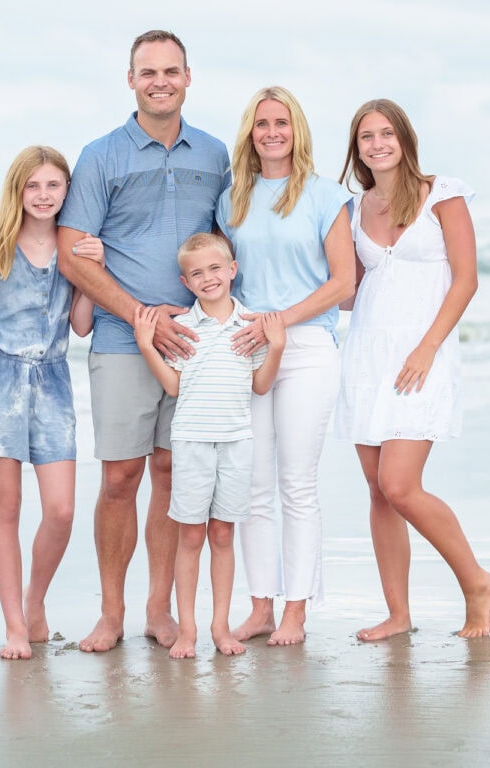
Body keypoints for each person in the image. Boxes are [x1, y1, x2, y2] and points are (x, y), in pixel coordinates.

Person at [56, 30, 232, 652]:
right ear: (130, 79)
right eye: (148, 71)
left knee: (172, 472)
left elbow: (232, 245)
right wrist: (140, 316)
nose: (161, 81)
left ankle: (161, 610)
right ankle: (111, 613)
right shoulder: (101, 155)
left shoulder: (215, 155)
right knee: (120, 477)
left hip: (199, 344)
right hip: (122, 340)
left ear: (189, 77)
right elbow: (71, 253)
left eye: (172, 71)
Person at [334, 99, 490, 640]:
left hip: (419, 357)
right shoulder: (355, 208)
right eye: (365, 137)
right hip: (365, 355)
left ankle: (476, 582)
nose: (377, 144)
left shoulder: (442, 195)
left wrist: (427, 348)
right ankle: (398, 615)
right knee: (378, 492)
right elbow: (350, 290)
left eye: (386, 134)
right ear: (355, 149)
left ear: (404, 139)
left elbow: (466, 280)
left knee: (400, 484)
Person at [216, 86, 355, 646]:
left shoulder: (326, 196)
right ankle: (260, 607)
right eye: (261, 124)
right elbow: (220, 275)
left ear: (297, 131)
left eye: (282, 123)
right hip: (248, 348)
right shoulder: (232, 200)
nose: (271, 132)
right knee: (251, 486)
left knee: (297, 484)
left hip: (307, 350)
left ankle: (297, 610)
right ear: (249, 133)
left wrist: (283, 320)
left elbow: (342, 282)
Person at [0, 146, 101, 659]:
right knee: (8, 506)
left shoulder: (73, 249)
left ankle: (34, 601)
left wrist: (92, 276)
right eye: (33, 186)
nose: (43, 195)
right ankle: (15, 625)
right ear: (18, 190)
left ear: (67, 191)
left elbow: (80, 325)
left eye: (53, 186)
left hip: (54, 385)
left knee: (61, 512)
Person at [132, 233, 286, 658]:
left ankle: (221, 627)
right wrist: (147, 346)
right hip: (191, 443)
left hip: (236, 443)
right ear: (185, 282)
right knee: (191, 537)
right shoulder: (183, 329)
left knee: (222, 534)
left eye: (215, 268)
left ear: (232, 270)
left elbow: (261, 386)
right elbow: (174, 388)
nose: (208, 278)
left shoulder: (250, 326)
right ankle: (188, 630)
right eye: (197, 273)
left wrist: (276, 347)